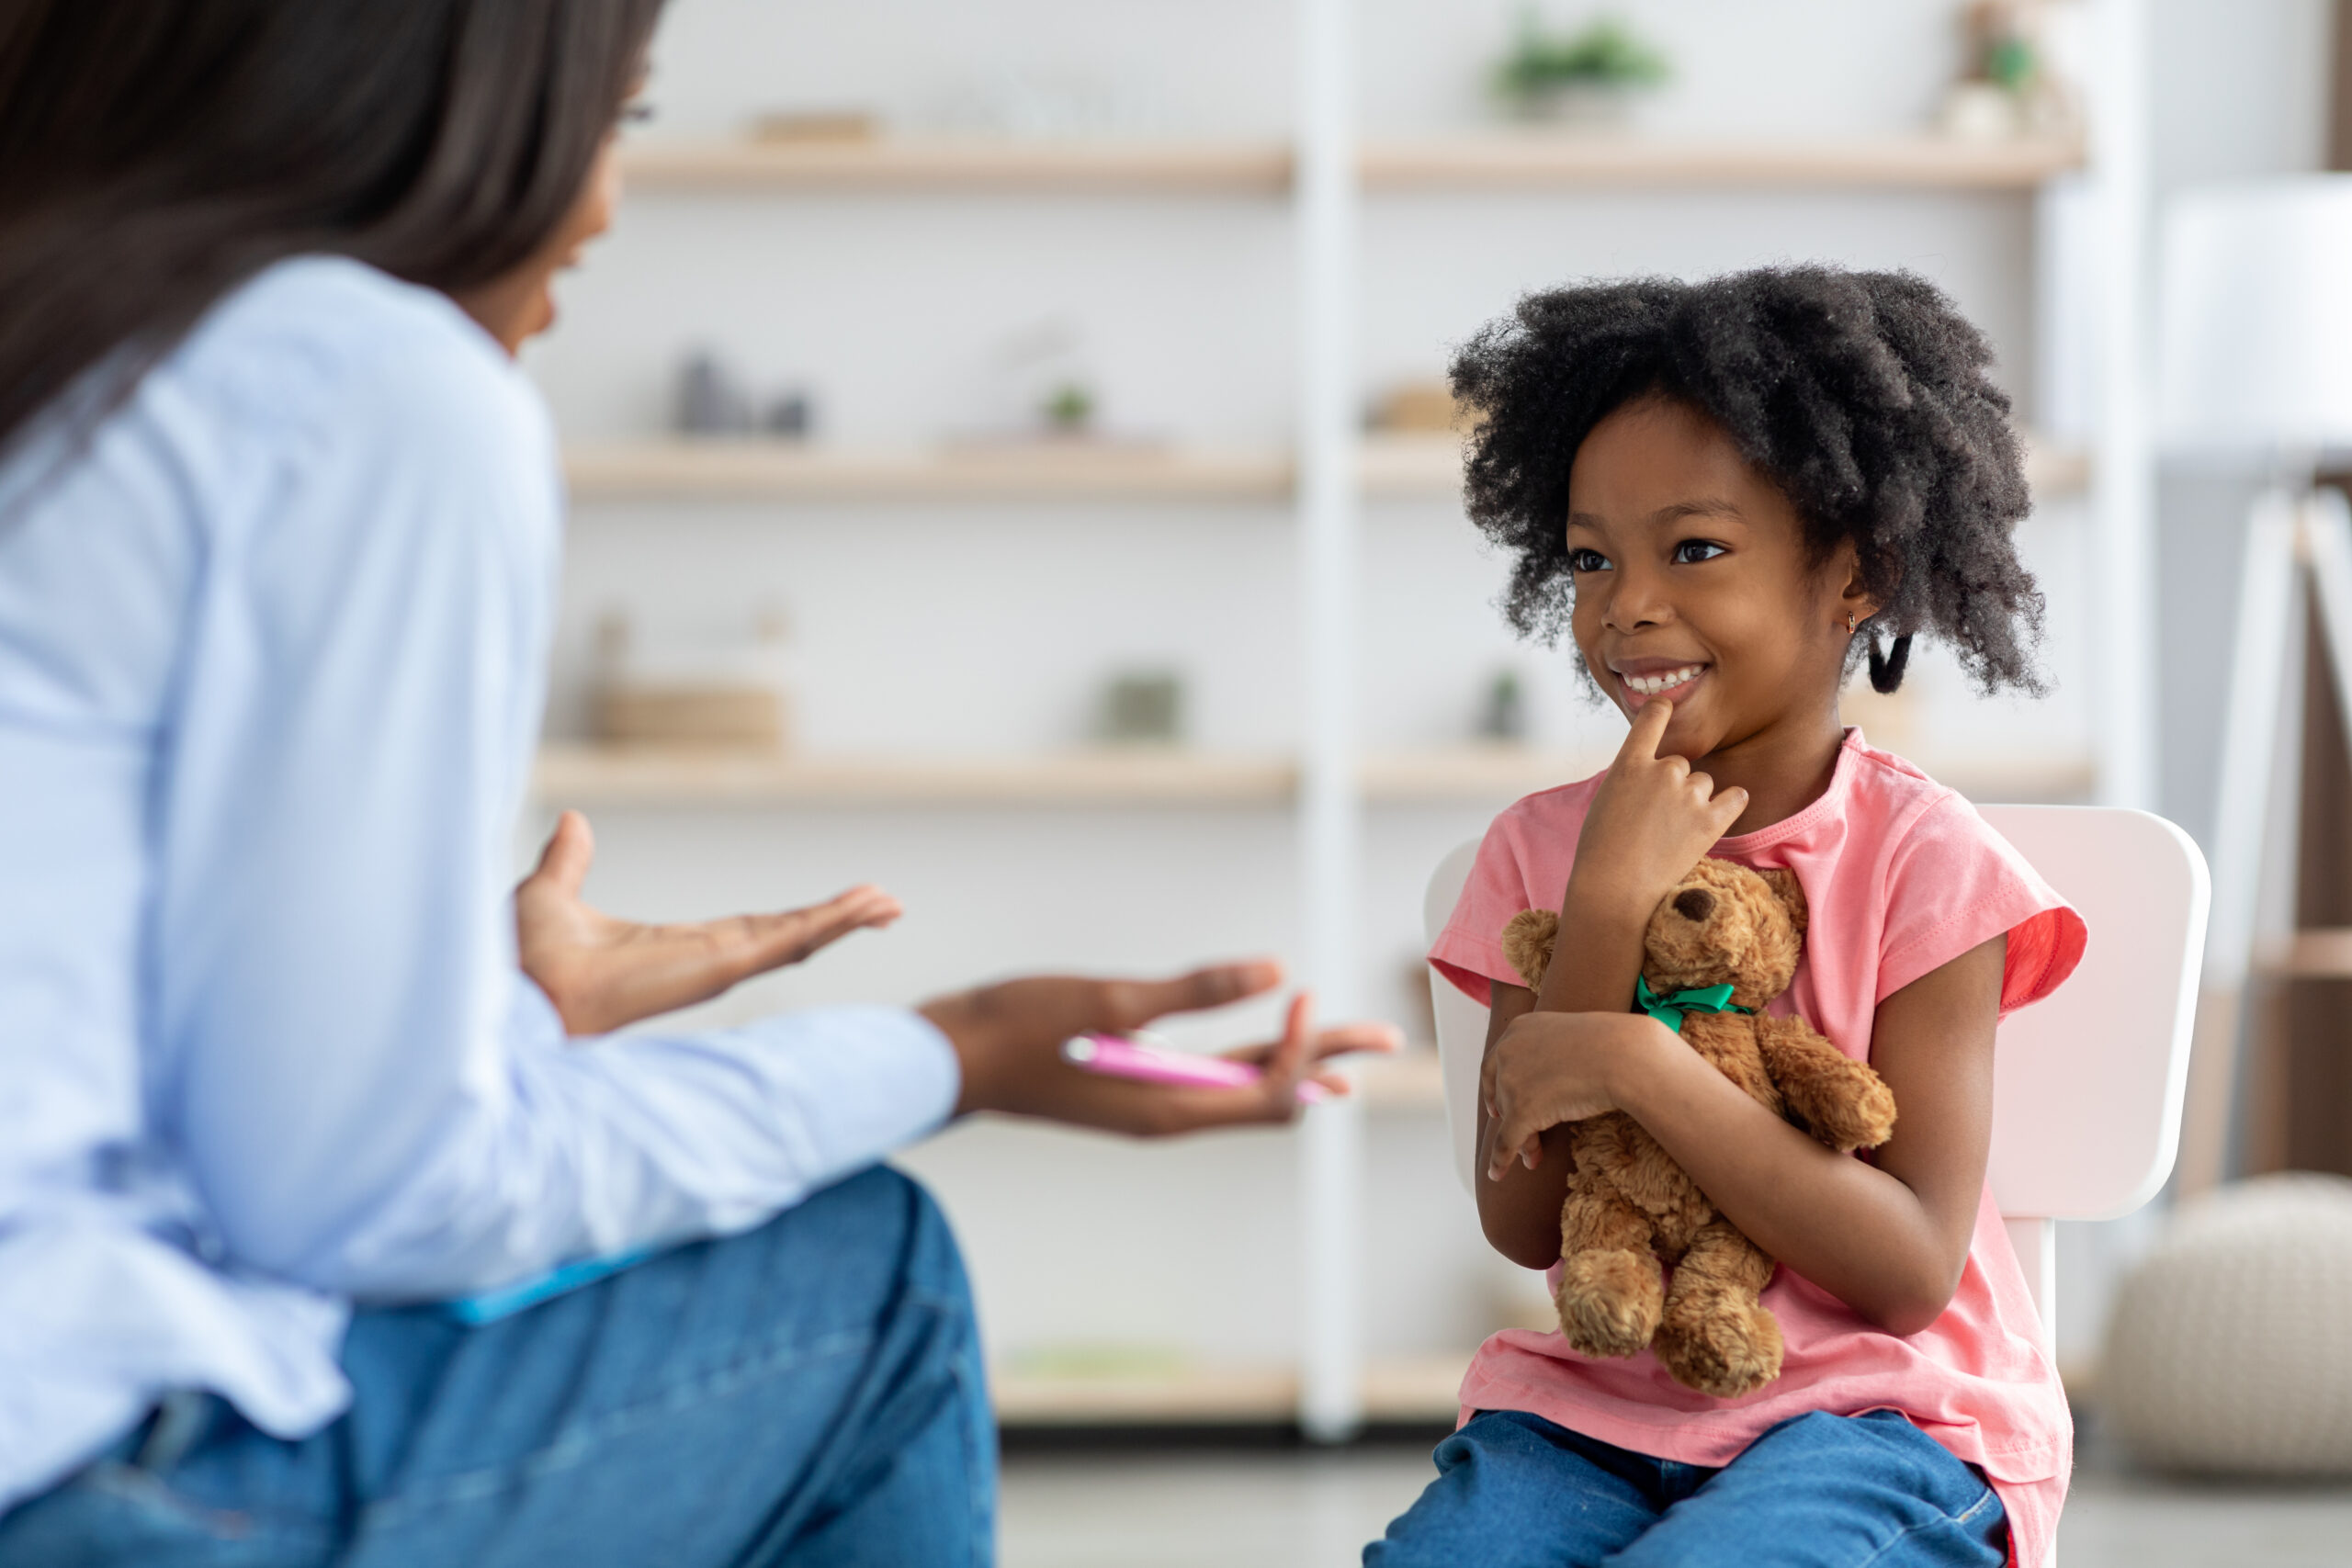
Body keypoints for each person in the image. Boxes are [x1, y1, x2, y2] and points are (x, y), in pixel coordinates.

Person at [0, 4, 1394, 1563]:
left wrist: (509, 1026)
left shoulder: (66, 349)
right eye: (624, 116)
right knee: (866, 1272)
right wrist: (957, 1049)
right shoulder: (356, 380)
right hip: (65, 1479)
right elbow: (359, 1207)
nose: (599, 209)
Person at [1367, 268, 2088, 1568]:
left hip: (1885, 1421)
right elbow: (1527, 1225)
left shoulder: (1927, 859)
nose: (1626, 603)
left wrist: (1643, 1063)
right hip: (1598, 1418)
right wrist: (1601, 902)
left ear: (1854, 575)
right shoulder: (1536, 850)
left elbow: (1911, 1266)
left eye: (1694, 549)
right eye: (1592, 557)